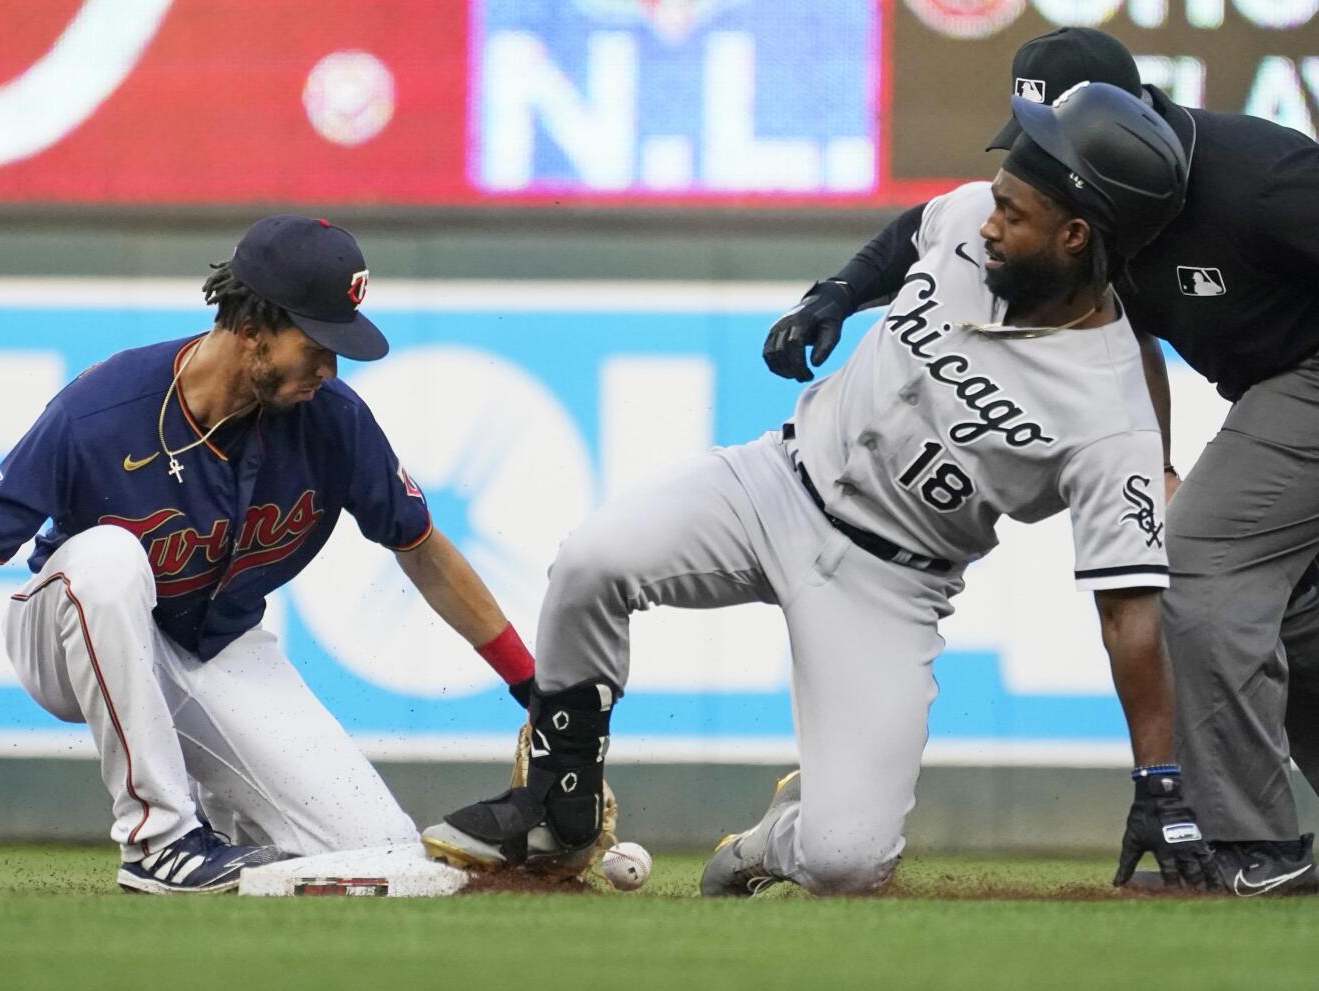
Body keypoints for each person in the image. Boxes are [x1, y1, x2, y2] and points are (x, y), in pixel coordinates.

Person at [421, 83, 1219, 895]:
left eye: (1014, 213)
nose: (990, 220)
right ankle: (560, 802)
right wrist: (838, 292)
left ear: (1074, 235)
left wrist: (1158, 779)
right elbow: (919, 228)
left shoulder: (1109, 416)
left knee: (848, 859)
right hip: (774, 484)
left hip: (891, 582)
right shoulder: (981, 225)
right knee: (592, 561)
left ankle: (778, 838)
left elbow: (1129, 610)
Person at [765, 26, 1318, 896]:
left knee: (1201, 566)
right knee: (1282, 608)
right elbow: (936, 230)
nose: (1028, 162)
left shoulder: (1259, 179)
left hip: (1308, 374)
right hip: (1272, 387)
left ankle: (1251, 847)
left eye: (1049, 135)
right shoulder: (1085, 211)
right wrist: (839, 291)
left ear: (1118, 121)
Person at [0, 216, 538, 894]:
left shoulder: (333, 421)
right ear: (251, 330)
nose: (331, 368)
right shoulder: (101, 411)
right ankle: (159, 841)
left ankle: (228, 836)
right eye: (318, 344)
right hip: (67, 630)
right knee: (108, 561)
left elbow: (424, 553)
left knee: (376, 855)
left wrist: (534, 690)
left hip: (210, 644)